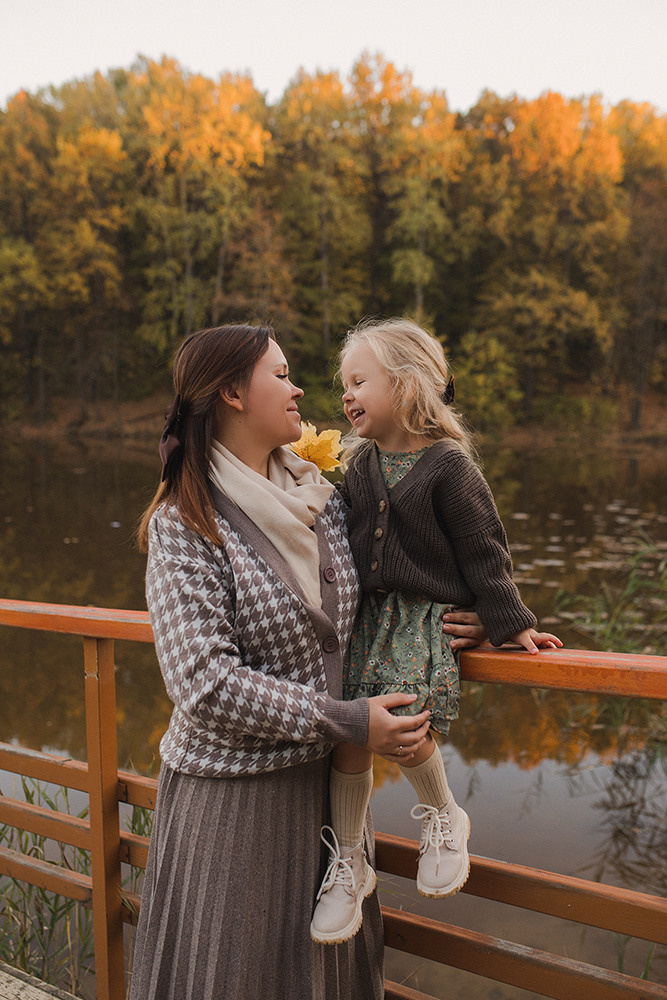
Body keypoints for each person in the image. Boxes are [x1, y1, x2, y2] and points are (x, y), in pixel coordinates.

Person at [130, 323, 486, 1000]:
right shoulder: (185, 522)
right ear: (233, 392)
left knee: (320, 978)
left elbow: (402, 572)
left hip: (328, 799)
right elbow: (203, 684)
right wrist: (349, 721)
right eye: (283, 374)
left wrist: (461, 615)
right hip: (235, 801)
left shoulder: (319, 498)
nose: (300, 390)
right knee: (236, 977)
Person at [310, 318, 562, 946]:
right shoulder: (360, 463)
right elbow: (332, 526)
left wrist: (507, 624)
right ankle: (350, 861)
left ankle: (445, 814)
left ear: (406, 383)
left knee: (403, 724)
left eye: (359, 381)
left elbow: (484, 551)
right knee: (350, 736)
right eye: (344, 383)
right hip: (366, 620)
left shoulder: (449, 465)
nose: (346, 395)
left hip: (421, 621)